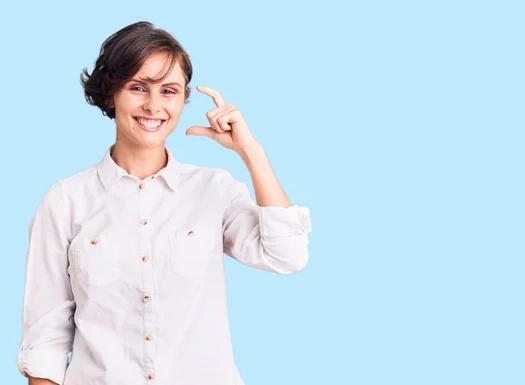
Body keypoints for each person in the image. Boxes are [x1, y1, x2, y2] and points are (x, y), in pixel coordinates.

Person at [16, 21, 312, 385]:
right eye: (138, 87)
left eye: (168, 91)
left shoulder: (213, 190)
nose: (153, 105)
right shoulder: (66, 201)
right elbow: (44, 342)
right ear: (111, 94)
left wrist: (251, 152)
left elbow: (287, 255)